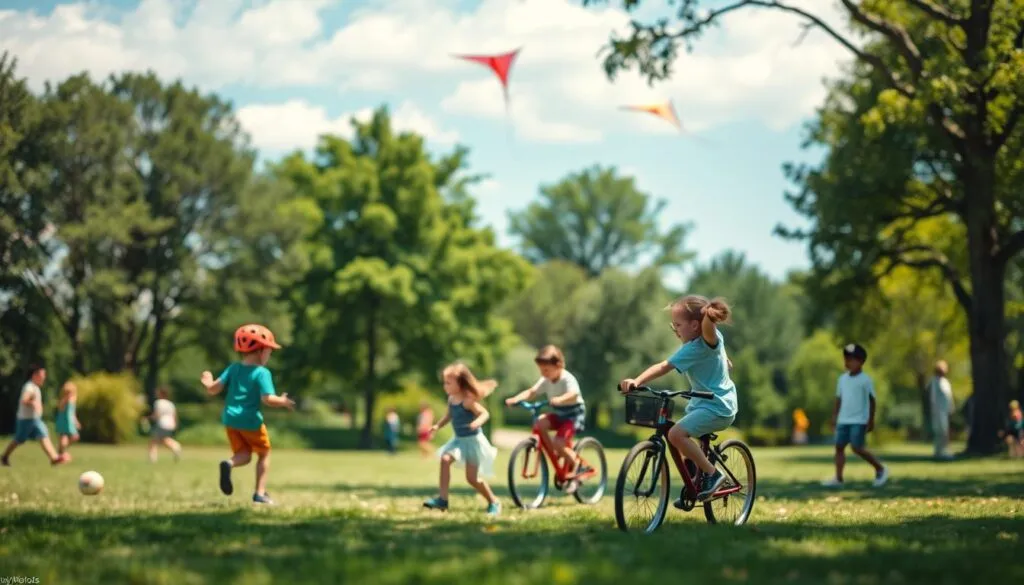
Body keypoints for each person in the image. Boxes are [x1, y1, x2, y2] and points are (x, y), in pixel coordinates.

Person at [618, 295, 739, 506]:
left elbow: (664, 366)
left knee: (675, 434)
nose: (675, 330)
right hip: (703, 404)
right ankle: (695, 485)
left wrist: (637, 381)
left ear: (695, 325)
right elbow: (715, 345)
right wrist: (724, 359)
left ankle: (713, 475)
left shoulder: (702, 344)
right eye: (673, 325)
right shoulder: (699, 345)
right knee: (680, 437)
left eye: (678, 325)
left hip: (718, 406)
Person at [201, 324, 295, 504]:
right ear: (260, 350)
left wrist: (207, 381)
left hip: (230, 420)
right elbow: (267, 398)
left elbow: (213, 389)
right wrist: (283, 401)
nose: (269, 355)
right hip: (251, 421)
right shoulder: (262, 372)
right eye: (269, 351)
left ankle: (229, 463)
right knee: (264, 453)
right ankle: (260, 493)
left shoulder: (233, 368)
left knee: (244, 453)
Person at [505, 345, 588, 494]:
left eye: (546, 370)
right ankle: (554, 451)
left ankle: (579, 465)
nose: (543, 373)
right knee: (540, 423)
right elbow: (532, 392)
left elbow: (574, 394)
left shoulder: (567, 378)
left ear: (559, 365)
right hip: (559, 414)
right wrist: (516, 399)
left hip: (574, 415)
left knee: (559, 442)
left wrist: (560, 399)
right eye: (541, 370)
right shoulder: (546, 380)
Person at [423, 363, 501, 516]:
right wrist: (437, 426)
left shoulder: (468, 401)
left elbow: (484, 414)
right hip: (458, 441)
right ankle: (442, 500)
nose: (445, 386)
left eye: (448, 383)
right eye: (445, 382)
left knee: (472, 479)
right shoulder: (451, 399)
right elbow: (448, 416)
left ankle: (493, 501)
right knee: (445, 459)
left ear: (460, 383)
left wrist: (477, 422)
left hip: (472, 442)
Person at [822, 344, 889, 488]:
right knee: (839, 447)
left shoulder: (865, 380)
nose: (848, 362)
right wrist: (834, 417)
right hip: (843, 419)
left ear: (861, 361)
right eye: (846, 359)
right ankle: (838, 478)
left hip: (859, 420)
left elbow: (872, 400)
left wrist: (871, 419)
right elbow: (838, 399)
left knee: (857, 447)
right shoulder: (842, 379)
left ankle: (880, 468)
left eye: (851, 360)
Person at [1, 364, 69, 467]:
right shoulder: (29, 387)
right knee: (19, 439)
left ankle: (54, 458)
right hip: (25, 419)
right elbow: (24, 400)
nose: (44, 377)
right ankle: (4, 456)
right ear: (34, 375)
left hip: (34, 418)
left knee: (43, 434)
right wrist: (33, 403)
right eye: (42, 375)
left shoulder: (35, 387)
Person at [929, 360, 955, 460]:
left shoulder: (945, 382)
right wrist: (934, 410)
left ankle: (945, 451)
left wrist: (951, 408)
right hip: (938, 411)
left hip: (945, 411)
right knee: (940, 432)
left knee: (945, 432)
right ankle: (939, 452)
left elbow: (949, 397)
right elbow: (933, 398)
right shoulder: (934, 381)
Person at [148, 387, 182, 463]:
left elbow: (157, 415)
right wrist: (175, 424)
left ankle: (152, 458)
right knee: (164, 440)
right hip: (170, 424)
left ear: (161, 393)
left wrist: (148, 418)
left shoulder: (158, 402)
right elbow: (174, 415)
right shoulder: (170, 404)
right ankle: (175, 447)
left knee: (154, 441)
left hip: (162, 423)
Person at [55, 381, 81, 460]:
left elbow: (72, 413)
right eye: (67, 393)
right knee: (64, 438)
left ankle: (61, 451)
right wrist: (64, 401)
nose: (69, 394)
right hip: (64, 422)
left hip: (69, 422)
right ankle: (61, 453)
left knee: (74, 437)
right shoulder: (64, 401)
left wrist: (76, 421)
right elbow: (61, 410)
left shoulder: (72, 400)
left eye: (70, 392)